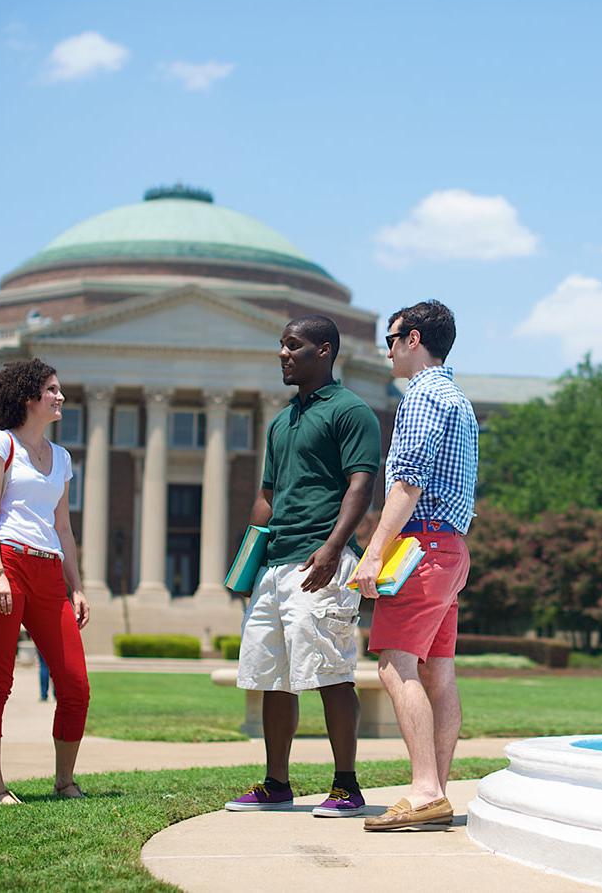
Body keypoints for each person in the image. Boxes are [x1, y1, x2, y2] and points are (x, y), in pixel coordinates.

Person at [226, 315, 381, 818]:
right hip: (274, 568)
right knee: (272, 677)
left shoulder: (351, 411)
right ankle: (276, 783)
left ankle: (346, 786)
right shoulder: (280, 421)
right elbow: (267, 498)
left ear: (326, 350)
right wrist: (248, 565)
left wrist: (336, 547)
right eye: (281, 345)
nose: (283, 354)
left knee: (333, 674)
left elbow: (361, 485)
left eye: (294, 346)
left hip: (321, 561)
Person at [352, 300, 478, 832]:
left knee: (393, 663)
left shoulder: (423, 396)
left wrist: (374, 551)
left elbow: (407, 481)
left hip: (420, 548)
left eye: (392, 337)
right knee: (438, 671)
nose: (387, 348)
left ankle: (424, 790)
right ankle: (438, 794)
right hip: (451, 551)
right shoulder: (460, 400)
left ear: (413, 338)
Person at [0, 358, 91, 805]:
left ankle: (64, 781)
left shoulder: (61, 457)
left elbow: (63, 527)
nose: (60, 397)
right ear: (28, 397)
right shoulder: (0, 444)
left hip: (48, 572)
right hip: (7, 564)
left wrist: (75, 586)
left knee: (75, 683)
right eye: (52, 389)